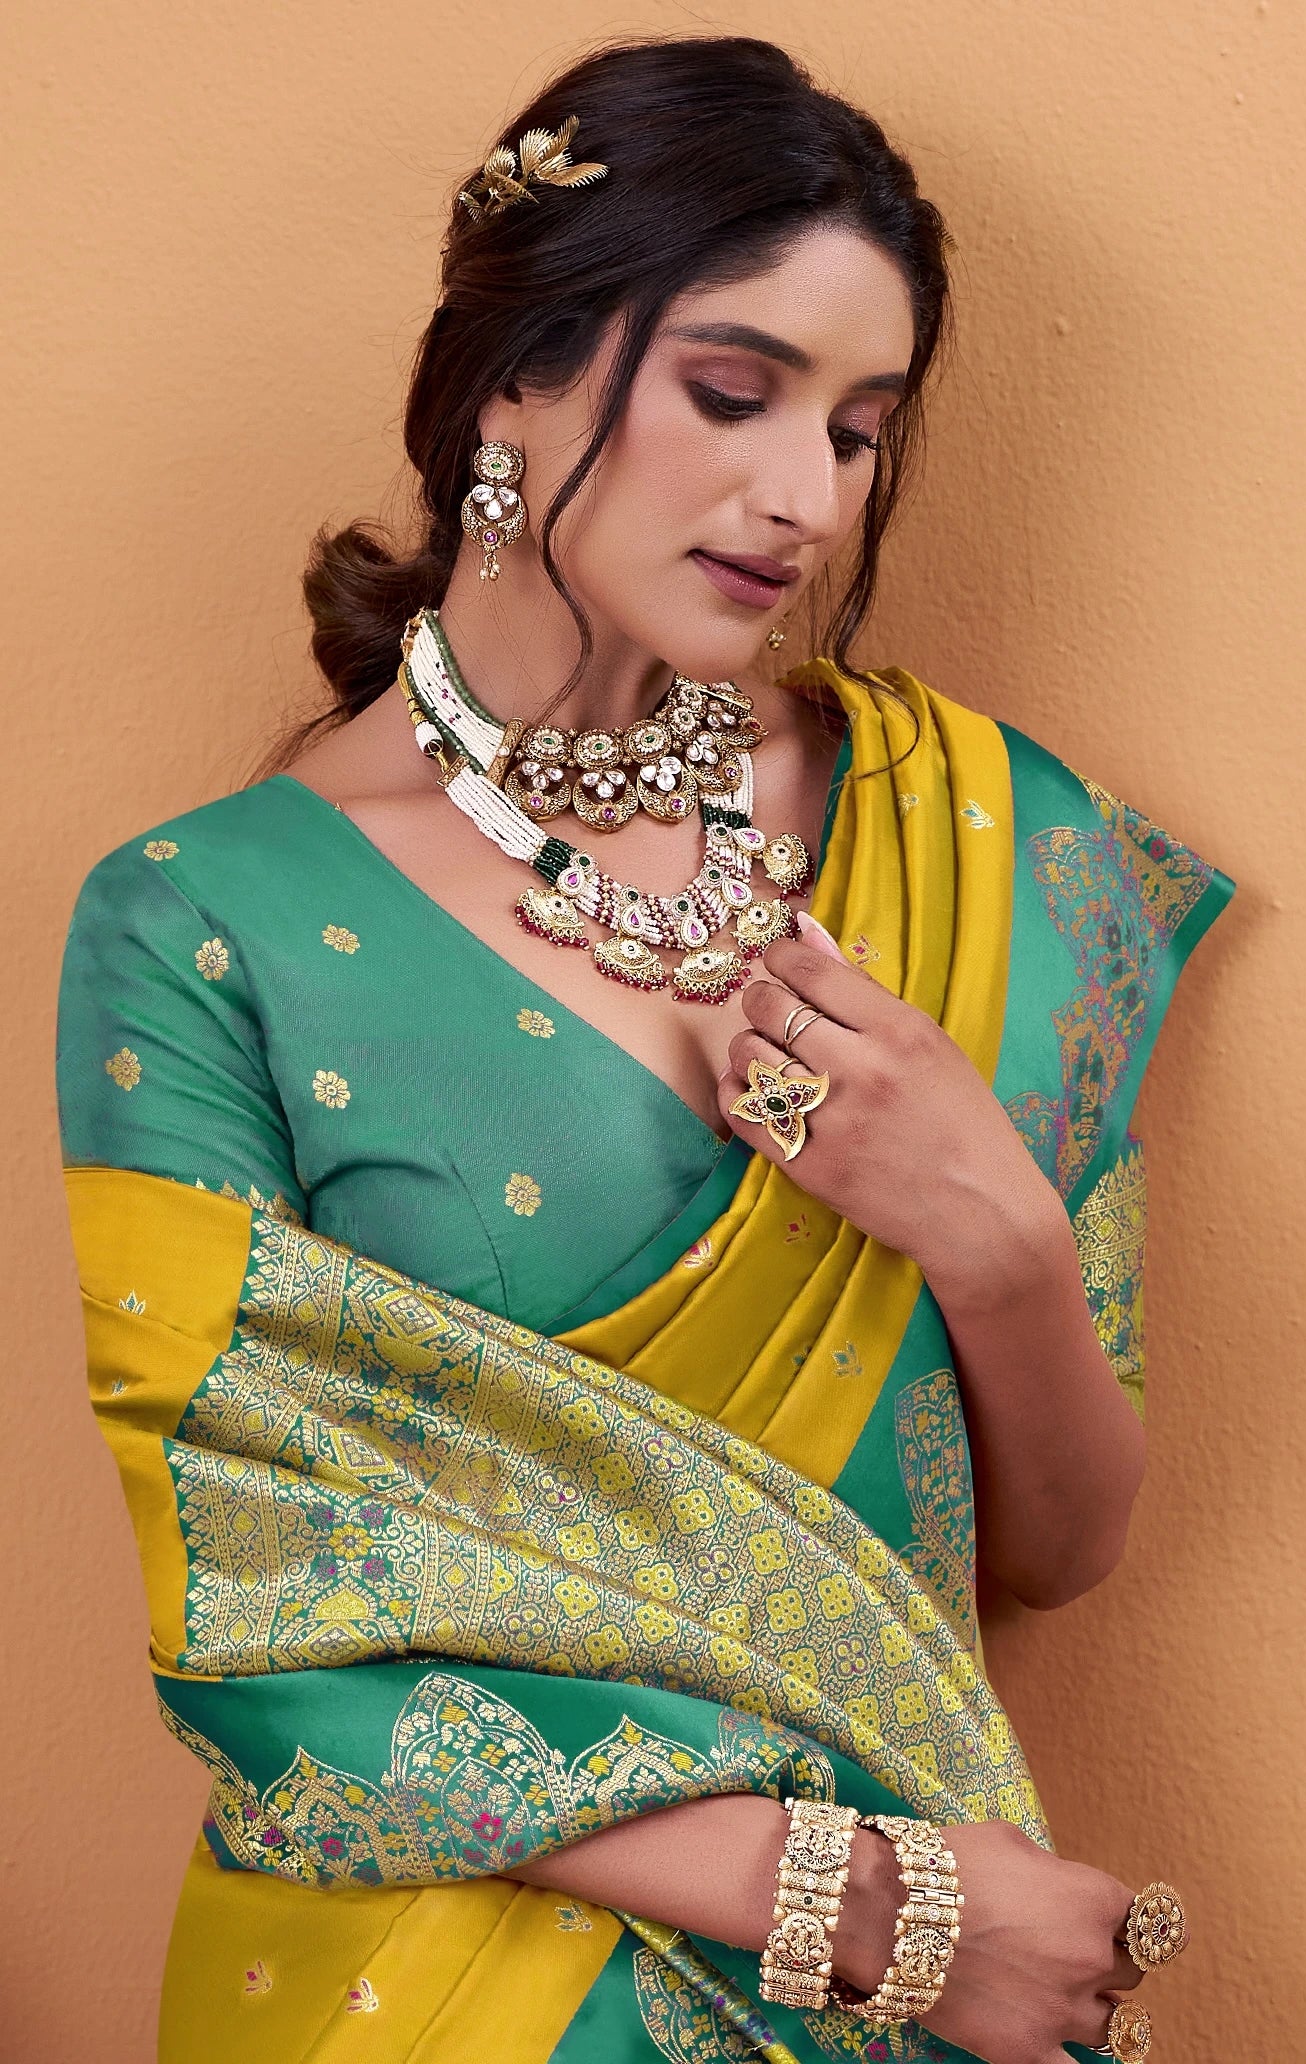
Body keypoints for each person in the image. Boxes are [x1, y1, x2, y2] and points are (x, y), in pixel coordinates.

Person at [55, 35, 1225, 2064]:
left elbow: (1069, 1543)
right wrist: (880, 1912)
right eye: (731, 389)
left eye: (861, 430)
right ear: (517, 372)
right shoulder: (199, 924)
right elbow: (256, 1629)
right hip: (431, 1998)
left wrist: (997, 1231)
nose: (806, 495)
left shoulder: (981, 844)